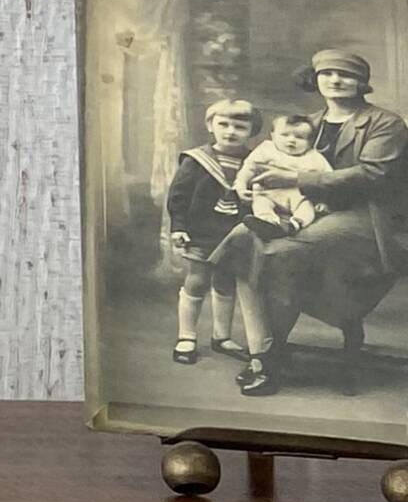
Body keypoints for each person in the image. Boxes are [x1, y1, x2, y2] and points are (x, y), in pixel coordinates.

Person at [244, 44, 407, 389]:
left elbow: (372, 175)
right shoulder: (308, 124)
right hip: (315, 211)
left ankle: (269, 362)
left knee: (282, 252)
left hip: (367, 217)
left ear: (362, 83)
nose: (335, 80)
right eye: (327, 73)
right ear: (315, 79)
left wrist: (295, 180)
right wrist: (248, 186)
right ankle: (265, 347)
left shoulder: (385, 123)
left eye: (346, 75)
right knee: (243, 242)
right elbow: (269, 160)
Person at [162, 95, 262, 365]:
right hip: (201, 231)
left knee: (225, 282)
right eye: (224, 124)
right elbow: (178, 197)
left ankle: (221, 336)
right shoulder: (196, 160)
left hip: (235, 232)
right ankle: (186, 336)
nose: (231, 131)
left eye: (240, 127)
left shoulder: (255, 161)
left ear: (252, 131)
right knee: (197, 279)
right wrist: (178, 227)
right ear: (211, 125)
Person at [236, 104, 331, 237]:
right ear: (273, 135)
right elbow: (248, 169)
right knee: (260, 203)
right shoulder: (266, 149)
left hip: (298, 195)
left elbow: (327, 180)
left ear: (310, 141)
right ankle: (267, 222)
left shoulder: (314, 156)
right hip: (267, 192)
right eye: (284, 135)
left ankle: (295, 224)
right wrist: (241, 187)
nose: (291, 140)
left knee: (306, 208)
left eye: (299, 137)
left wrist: (323, 201)